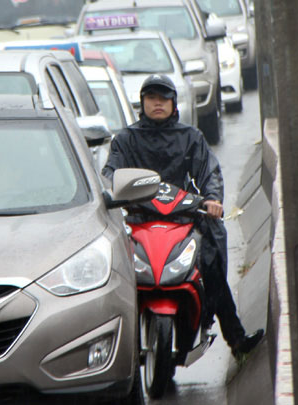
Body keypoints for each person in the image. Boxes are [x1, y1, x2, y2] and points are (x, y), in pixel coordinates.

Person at [102, 74, 264, 360]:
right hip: (139, 221)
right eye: (152, 98)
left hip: (184, 219)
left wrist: (213, 200)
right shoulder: (126, 139)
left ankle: (236, 338)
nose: (158, 103)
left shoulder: (191, 137)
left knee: (211, 262)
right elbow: (109, 174)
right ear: (142, 102)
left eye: (164, 98)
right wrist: (110, 192)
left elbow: (210, 172)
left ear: (174, 103)